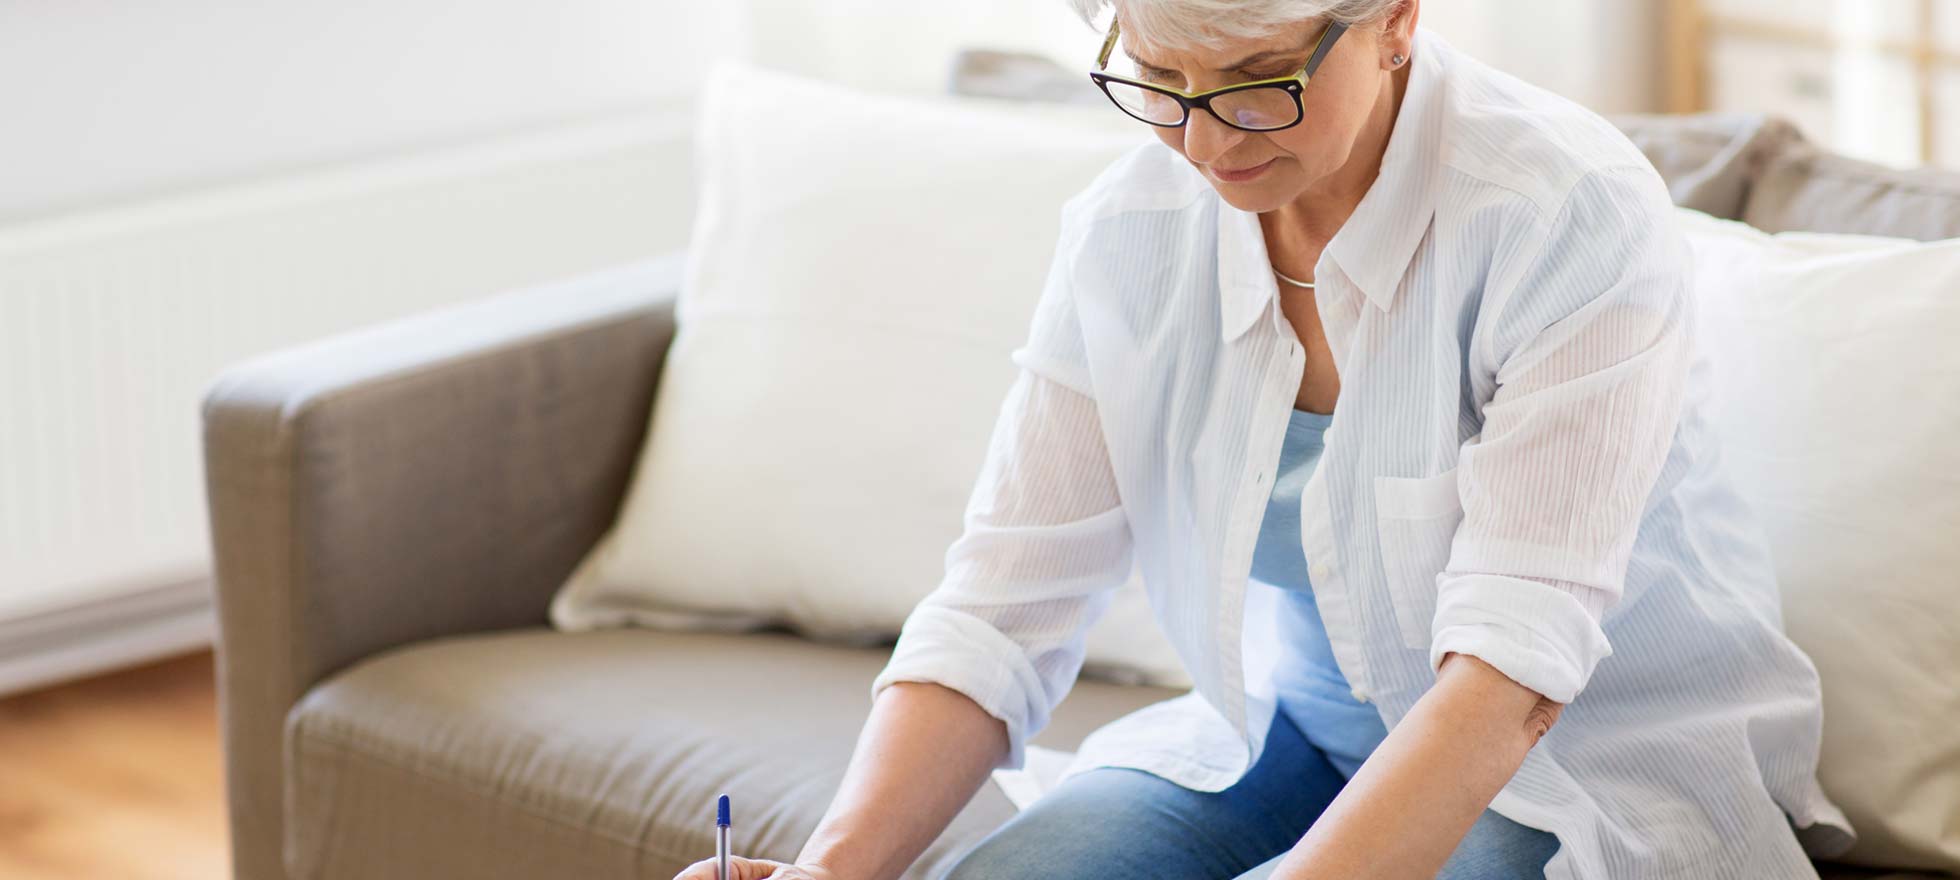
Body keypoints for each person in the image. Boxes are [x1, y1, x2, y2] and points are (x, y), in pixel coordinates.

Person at [677, 1, 1856, 878]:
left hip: (1575, 765)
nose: (1206, 141)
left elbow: (1513, 671)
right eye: (1159, 77)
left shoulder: (1561, 213)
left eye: (1255, 80)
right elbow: (1002, 603)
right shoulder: (1131, 232)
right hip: (1287, 731)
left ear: (1392, 18)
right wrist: (830, 869)